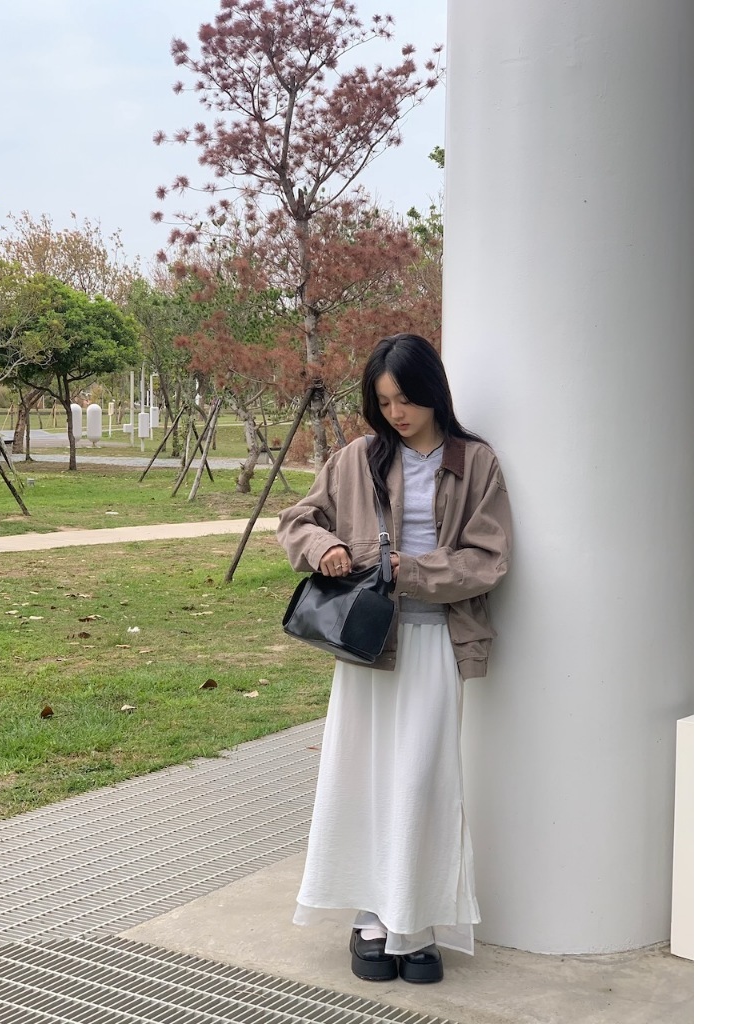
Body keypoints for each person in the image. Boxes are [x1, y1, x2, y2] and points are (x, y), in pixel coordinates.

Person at [276, 333, 512, 985]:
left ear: (434, 392)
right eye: (383, 402)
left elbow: (489, 559)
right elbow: (297, 519)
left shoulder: (475, 463)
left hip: (435, 641)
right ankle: (371, 919)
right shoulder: (357, 458)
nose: (395, 413)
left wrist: (416, 573)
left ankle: (416, 923)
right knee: (361, 781)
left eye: (405, 398)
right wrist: (323, 547)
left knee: (421, 784)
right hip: (365, 646)